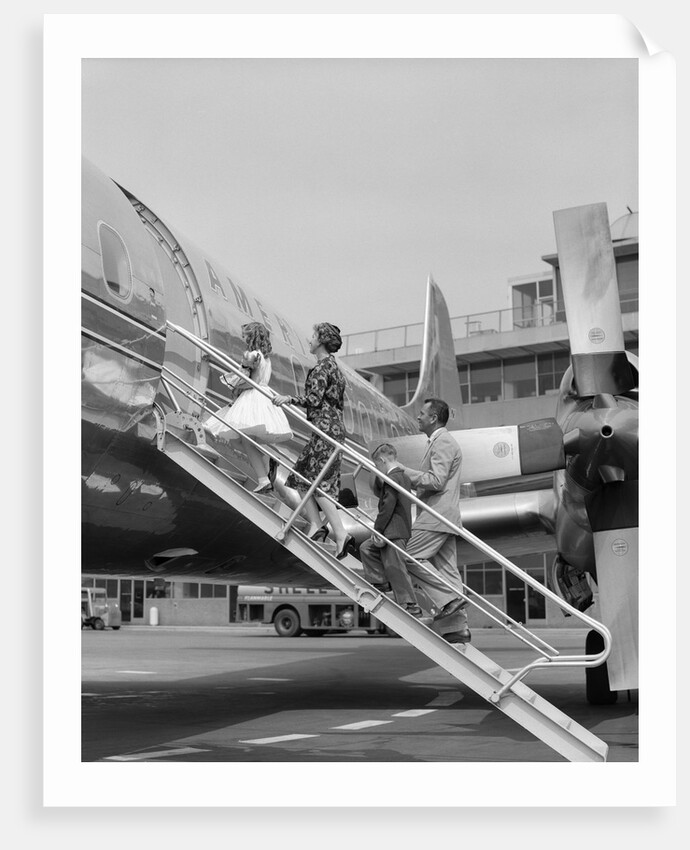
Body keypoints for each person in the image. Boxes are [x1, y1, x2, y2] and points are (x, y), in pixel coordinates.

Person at [272, 322, 355, 560]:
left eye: (313, 336)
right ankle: (317, 525)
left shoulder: (321, 368)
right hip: (330, 430)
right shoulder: (335, 369)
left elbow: (314, 399)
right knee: (301, 477)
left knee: (318, 484)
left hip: (325, 430)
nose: (309, 339)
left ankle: (341, 534)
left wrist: (289, 399)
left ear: (321, 340)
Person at [398, 398, 471, 644]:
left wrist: (402, 472)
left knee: (406, 556)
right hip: (443, 516)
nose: (417, 417)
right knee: (447, 571)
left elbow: (437, 480)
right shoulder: (439, 442)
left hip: (436, 516)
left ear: (434, 418)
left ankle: (448, 600)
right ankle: (457, 628)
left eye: (422, 413)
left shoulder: (444, 442)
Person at [205, 322, 292, 493]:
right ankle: (265, 463)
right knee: (242, 439)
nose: (243, 337)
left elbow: (248, 380)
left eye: (245, 334)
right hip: (263, 396)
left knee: (241, 437)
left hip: (252, 396)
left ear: (252, 336)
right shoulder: (266, 358)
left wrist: (236, 383)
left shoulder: (252, 355)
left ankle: (263, 478)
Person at [358, 443, 424, 618]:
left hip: (393, 529)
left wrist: (377, 529)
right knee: (366, 548)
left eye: (376, 465)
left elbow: (388, 506)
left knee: (395, 567)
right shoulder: (404, 477)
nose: (377, 469)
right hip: (398, 528)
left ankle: (410, 604)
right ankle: (380, 582)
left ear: (381, 460)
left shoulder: (391, 479)